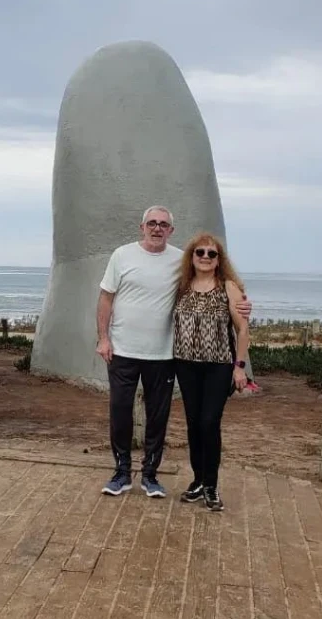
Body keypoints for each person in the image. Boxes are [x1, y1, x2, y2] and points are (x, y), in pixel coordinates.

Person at [97, 206, 250, 498]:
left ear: (171, 231)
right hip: (123, 350)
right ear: (142, 226)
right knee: (119, 412)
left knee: (159, 417)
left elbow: (218, 294)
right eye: (152, 223)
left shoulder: (180, 261)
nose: (157, 228)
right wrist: (103, 338)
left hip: (163, 355)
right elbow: (106, 298)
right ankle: (122, 473)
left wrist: (243, 305)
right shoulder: (122, 255)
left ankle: (151, 475)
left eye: (163, 224)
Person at [173, 233, 250, 512]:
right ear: (191, 257)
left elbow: (243, 330)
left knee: (209, 422)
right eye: (200, 253)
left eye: (212, 254)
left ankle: (212, 485)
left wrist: (239, 368)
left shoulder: (228, 287)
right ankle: (197, 480)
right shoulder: (181, 286)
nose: (205, 257)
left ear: (219, 260)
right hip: (185, 363)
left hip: (218, 365)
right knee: (193, 424)